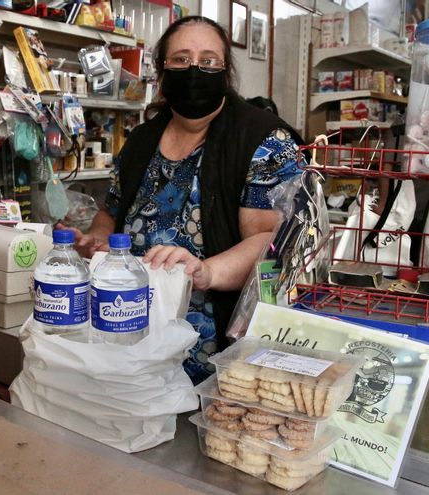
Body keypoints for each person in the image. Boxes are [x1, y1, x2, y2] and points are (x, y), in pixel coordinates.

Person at [63, 16, 304, 383]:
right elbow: (110, 214)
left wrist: (206, 271)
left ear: (225, 72)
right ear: (161, 70)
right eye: (181, 59)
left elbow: (271, 243)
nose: (194, 70)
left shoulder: (262, 139)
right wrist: (96, 242)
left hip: (216, 353)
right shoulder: (141, 140)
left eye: (208, 61)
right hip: (131, 334)